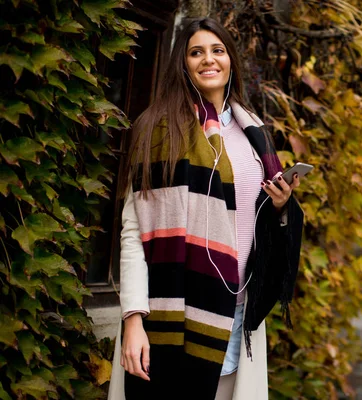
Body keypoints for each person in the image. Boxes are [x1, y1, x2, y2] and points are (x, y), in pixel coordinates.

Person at [107, 17, 304, 400]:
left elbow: (261, 227)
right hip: (172, 316)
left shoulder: (255, 133)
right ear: (183, 63)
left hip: (235, 314)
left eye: (218, 50)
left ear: (230, 60)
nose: (208, 60)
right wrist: (133, 320)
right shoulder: (158, 131)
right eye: (196, 52)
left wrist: (281, 207)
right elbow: (134, 234)